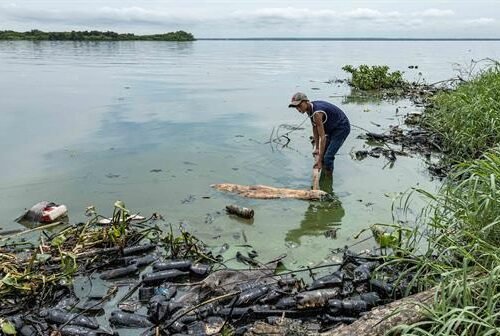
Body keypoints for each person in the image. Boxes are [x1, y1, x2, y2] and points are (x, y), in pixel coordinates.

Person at [288, 92, 350, 176]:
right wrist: (317, 148)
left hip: (341, 128)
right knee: (323, 153)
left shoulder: (317, 113)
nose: (298, 109)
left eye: (299, 105)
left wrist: (319, 161)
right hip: (331, 127)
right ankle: (325, 170)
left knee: (328, 157)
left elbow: (322, 137)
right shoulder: (309, 109)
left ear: (306, 101)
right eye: (296, 107)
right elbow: (315, 128)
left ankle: (328, 178)